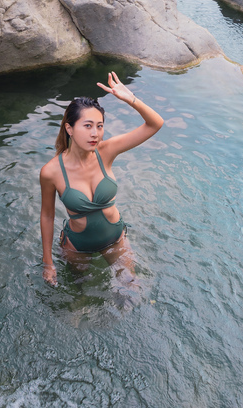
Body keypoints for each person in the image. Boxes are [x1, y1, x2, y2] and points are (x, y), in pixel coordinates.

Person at [39, 71, 164, 285]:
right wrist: (48, 262)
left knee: (132, 290)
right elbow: (47, 216)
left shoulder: (106, 151)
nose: (95, 133)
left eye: (100, 126)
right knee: (79, 300)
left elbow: (155, 124)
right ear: (69, 128)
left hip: (116, 241)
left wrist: (130, 99)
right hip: (77, 247)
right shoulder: (51, 172)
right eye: (87, 126)